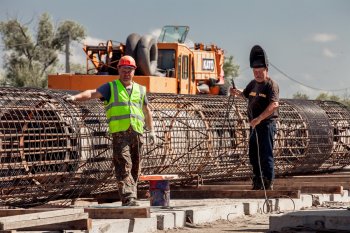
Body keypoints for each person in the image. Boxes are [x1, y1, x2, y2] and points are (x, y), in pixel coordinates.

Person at [64, 55, 156, 206]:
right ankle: (129, 198)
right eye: (124, 69)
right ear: (119, 70)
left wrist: (151, 131)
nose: (127, 72)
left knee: (136, 167)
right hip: (120, 135)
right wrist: (75, 98)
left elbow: (146, 111)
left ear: (134, 71)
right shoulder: (111, 87)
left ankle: (131, 195)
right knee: (123, 165)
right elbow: (92, 93)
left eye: (130, 70)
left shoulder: (140, 89)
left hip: (137, 134)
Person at [230, 45, 279, 190]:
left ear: (266, 70)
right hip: (254, 126)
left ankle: (268, 182)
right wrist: (235, 92)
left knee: (266, 154)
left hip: (266, 125)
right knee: (253, 154)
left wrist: (259, 119)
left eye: (260, 71)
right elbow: (244, 94)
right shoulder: (252, 84)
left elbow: (274, 104)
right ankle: (258, 180)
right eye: (255, 71)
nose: (257, 74)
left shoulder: (271, 85)